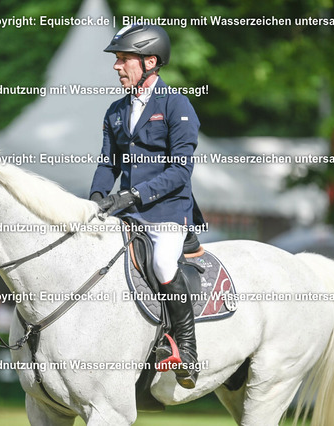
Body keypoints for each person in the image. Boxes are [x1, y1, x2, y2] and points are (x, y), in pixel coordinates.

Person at [89, 24, 204, 389]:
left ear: (150, 62)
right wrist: (96, 200)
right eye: (117, 59)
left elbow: (180, 172)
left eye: (124, 59)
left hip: (167, 212)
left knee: (163, 263)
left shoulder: (176, 105)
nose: (116, 66)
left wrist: (133, 196)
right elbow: (108, 164)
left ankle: (187, 350)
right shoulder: (115, 111)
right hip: (127, 212)